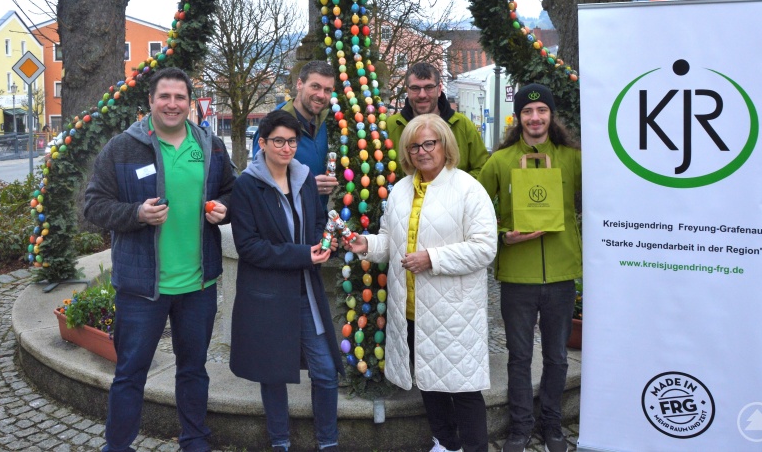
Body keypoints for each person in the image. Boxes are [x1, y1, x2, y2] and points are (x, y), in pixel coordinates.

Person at [84, 67, 236, 452]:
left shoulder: (211, 145)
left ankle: (194, 440)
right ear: (150, 101)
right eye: (164, 97)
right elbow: (94, 205)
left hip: (198, 285)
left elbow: (235, 193)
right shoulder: (122, 147)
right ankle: (117, 446)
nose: (172, 104)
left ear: (190, 103)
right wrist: (136, 214)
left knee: (193, 370)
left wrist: (226, 209)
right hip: (141, 287)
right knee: (130, 373)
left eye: (180, 97)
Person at [346, 114, 497, 452]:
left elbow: (485, 247)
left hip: (454, 307)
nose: (423, 151)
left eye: (430, 143)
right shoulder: (401, 190)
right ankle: (446, 444)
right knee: (429, 380)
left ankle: (474, 447)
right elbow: (392, 242)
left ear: (446, 146)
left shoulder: (467, 189)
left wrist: (433, 258)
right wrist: (366, 245)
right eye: (415, 146)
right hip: (411, 306)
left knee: (463, 387)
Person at [229, 109, 344, 452]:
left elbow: (318, 221)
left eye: (292, 141)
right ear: (262, 143)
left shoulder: (305, 177)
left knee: (324, 370)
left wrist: (328, 244)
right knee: (273, 371)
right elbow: (249, 247)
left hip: (305, 289)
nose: (286, 148)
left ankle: (328, 442)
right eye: (278, 141)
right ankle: (279, 441)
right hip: (267, 294)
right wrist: (303, 255)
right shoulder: (246, 185)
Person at [478, 84, 581, 452]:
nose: (535, 118)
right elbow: (475, 207)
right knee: (519, 357)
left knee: (555, 356)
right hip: (517, 277)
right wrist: (504, 236)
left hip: (561, 273)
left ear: (551, 116)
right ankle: (519, 427)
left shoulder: (572, 157)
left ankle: (551, 424)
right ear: (517, 117)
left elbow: (600, 201)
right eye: (527, 111)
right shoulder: (501, 161)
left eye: (541, 111)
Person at [251, 60, 339, 204]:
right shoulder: (273, 124)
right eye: (315, 86)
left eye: (327, 90)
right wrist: (306, 186)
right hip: (285, 221)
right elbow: (258, 180)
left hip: (318, 219)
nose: (321, 95)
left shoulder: (326, 121)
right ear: (299, 84)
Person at [387, 62, 488, 179]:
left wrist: (453, 190)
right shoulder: (391, 126)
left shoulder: (462, 125)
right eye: (415, 88)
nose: (422, 94)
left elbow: (482, 169)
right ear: (407, 90)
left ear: (439, 89)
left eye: (429, 87)